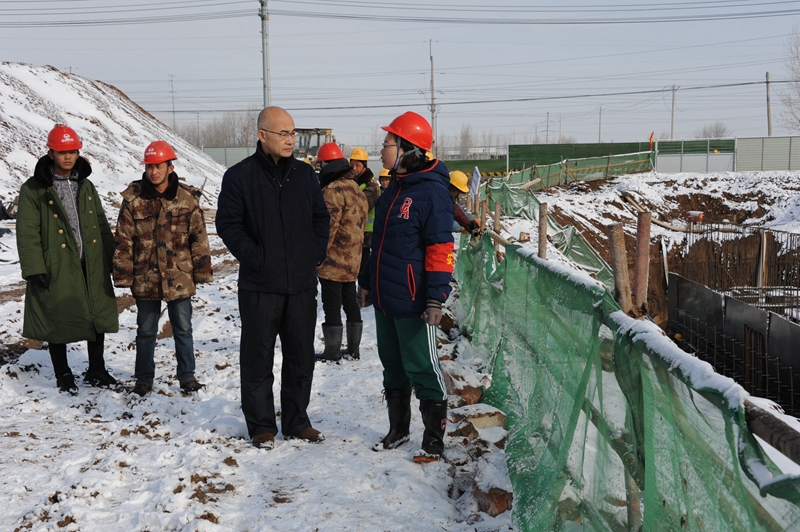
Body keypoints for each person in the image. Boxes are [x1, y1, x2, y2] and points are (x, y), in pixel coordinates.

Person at [216, 106, 330, 450]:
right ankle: (262, 425)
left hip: (300, 285)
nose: (290, 140)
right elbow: (229, 225)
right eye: (283, 134)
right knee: (257, 357)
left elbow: (320, 219)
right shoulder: (239, 177)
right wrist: (258, 258)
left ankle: (297, 420)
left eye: (293, 133)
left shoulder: (305, 175)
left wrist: (314, 255)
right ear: (262, 135)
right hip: (259, 286)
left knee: (300, 356)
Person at [358, 111, 455, 463]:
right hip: (386, 299)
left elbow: (440, 250)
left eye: (387, 143)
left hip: (414, 301)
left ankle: (433, 440)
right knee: (393, 366)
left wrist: (434, 298)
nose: (381, 149)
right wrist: (367, 282)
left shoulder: (432, 193)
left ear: (408, 149)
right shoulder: (393, 190)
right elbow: (379, 244)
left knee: (422, 367)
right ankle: (398, 430)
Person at [16, 124, 119, 394]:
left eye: (72, 151)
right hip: (56, 264)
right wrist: (34, 266)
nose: (68, 157)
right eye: (62, 152)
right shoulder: (33, 189)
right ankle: (63, 373)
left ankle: (97, 369)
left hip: (90, 261)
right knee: (57, 316)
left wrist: (110, 258)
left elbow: (101, 223)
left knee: (97, 314)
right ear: (51, 153)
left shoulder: (86, 185)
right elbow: (27, 231)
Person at [113, 141, 212, 397]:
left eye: (158, 166)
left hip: (179, 275)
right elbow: (124, 239)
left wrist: (202, 272)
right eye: (149, 167)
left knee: (183, 328)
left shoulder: (186, 199)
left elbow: (199, 237)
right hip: (146, 277)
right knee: (146, 331)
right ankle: (144, 379)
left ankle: (187, 377)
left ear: (170, 166)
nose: (153, 172)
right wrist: (123, 275)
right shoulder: (134, 200)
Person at [315, 143, 368, 362]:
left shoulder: (332, 190)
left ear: (327, 164)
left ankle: (332, 351)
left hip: (334, 261)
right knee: (350, 303)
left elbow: (327, 228)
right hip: (354, 258)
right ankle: (353, 349)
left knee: (332, 305)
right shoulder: (355, 187)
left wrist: (316, 256)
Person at [348, 147, 380, 276]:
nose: (354, 168)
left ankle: (363, 295)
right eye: (352, 165)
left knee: (364, 270)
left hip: (367, 234)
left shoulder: (371, 185)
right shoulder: (351, 182)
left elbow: (363, 205)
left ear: (364, 166)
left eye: (357, 165)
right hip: (353, 232)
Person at [449, 170, 480, 236]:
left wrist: (471, 218)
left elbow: (457, 211)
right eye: (458, 192)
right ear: (453, 189)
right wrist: (460, 227)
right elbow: (443, 220)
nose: (458, 195)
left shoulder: (446, 197)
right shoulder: (440, 198)